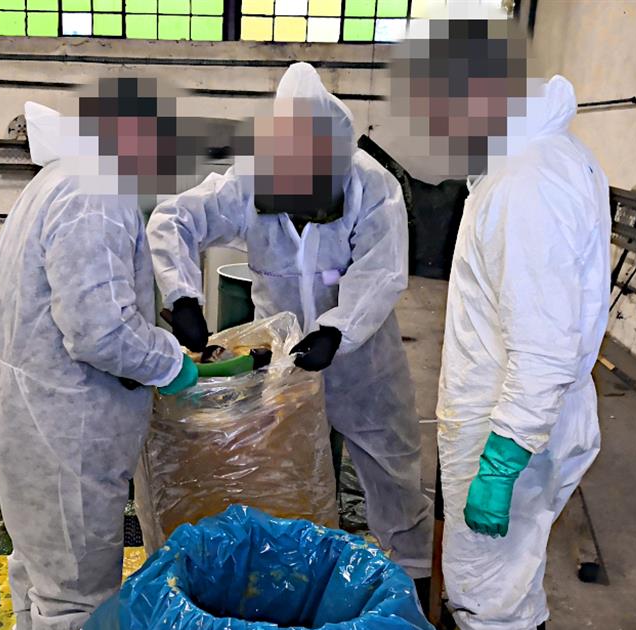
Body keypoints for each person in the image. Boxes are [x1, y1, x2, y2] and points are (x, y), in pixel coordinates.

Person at [393, 19, 611, 630]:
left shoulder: (524, 184)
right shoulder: (547, 157)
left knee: (484, 576)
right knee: (517, 565)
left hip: (510, 420)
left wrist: (501, 458)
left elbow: (543, 344)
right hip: (530, 411)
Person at [0, 78, 199, 630]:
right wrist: (169, 362)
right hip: (59, 419)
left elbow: (85, 298)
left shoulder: (65, 179)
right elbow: (99, 331)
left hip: (27, 403)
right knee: (76, 579)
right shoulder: (95, 193)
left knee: (41, 565)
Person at [148, 62, 435, 601]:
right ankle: (295, 577)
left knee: (392, 469)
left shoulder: (372, 186)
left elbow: (381, 271)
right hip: (280, 364)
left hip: (362, 363)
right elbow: (173, 220)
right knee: (284, 470)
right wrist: (181, 294)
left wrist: (338, 331)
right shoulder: (248, 180)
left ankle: (414, 581)